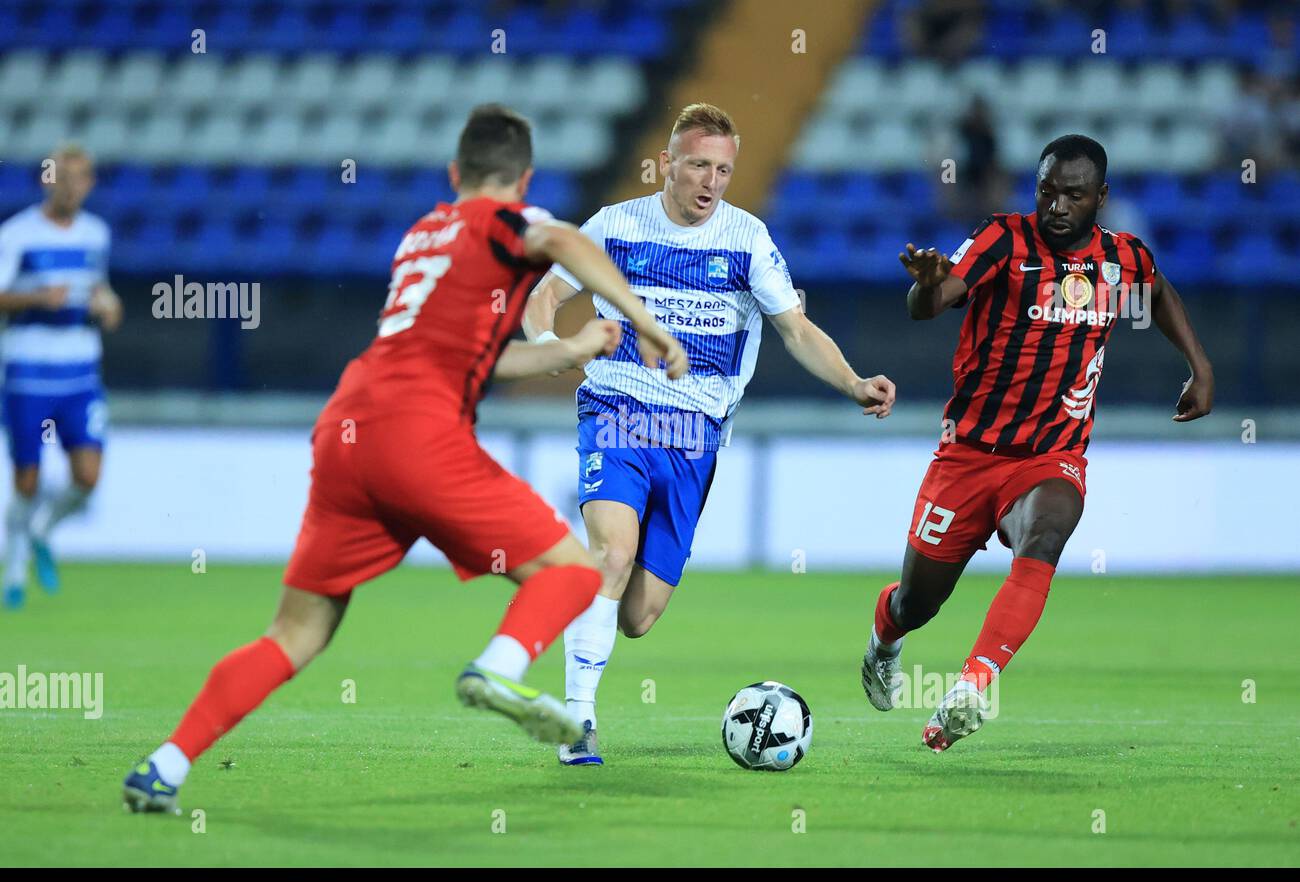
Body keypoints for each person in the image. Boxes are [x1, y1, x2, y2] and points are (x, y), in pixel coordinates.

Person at [122, 104, 687, 812]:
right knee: (576, 575)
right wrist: (646, 322)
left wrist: (566, 350)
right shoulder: (507, 224)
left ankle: (164, 765)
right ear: (524, 177)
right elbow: (565, 240)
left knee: (294, 633)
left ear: (455, 173)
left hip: (346, 429)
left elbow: (468, 358)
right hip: (419, 435)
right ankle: (497, 668)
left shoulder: (422, 235)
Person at [524, 103, 896, 765]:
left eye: (724, 169)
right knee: (610, 557)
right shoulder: (615, 225)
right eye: (699, 164)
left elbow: (797, 331)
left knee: (637, 616)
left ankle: (573, 600)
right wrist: (553, 347)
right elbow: (542, 298)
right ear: (666, 163)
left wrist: (853, 383)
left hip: (695, 439)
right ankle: (575, 721)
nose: (711, 181)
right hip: (618, 412)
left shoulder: (747, 240)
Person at [863, 134, 1214, 752]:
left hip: (1052, 455)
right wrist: (924, 285)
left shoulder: (1124, 258)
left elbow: (1157, 290)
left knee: (1047, 532)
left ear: (1100, 198)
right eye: (1046, 191)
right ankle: (885, 640)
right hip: (969, 454)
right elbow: (935, 301)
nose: (1056, 206)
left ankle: (973, 685)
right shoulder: (1003, 238)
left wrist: (1200, 366)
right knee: (919, 601)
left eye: (1073, 196)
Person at [0, 144, 122, 609]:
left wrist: (108, 306)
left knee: (88, 476)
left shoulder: (95, 234)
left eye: (81, 178)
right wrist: (34, 299)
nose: (72, 187)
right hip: (28, 371)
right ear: (47, 181)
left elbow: (99, 288)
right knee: (26, 479)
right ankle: (14, 566)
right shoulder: (17, 234)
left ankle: (41, 531)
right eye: (63, 178)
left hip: (80, 372)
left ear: (89, 184)